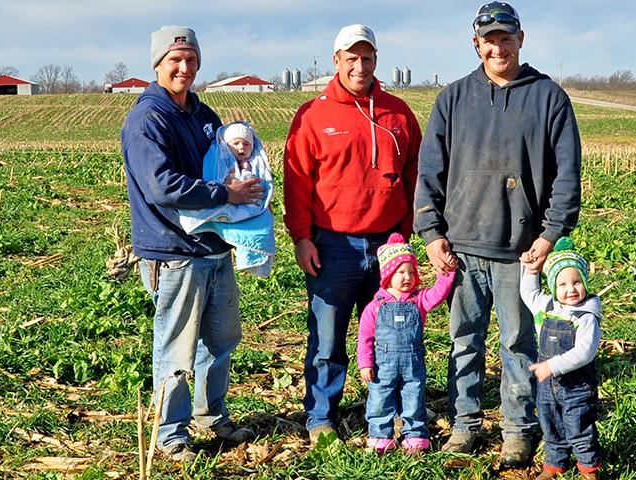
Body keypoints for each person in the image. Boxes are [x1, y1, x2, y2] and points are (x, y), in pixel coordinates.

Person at [413, 1, 583, 467]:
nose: (497, 47)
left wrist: (549, 237)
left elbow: (567, 177)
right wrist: (431, 233)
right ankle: (465, 425)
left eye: (505, 38)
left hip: (521, 252)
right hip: (461, 249)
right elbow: (429, 172)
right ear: (476, 44)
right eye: (489, 39)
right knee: (463, 341)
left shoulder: (548, 98)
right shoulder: (452, 98)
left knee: (517, 344)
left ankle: (517, 429)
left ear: (520, 40)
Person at [122, 25, 263, 463]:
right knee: (176, 347)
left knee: (221, 339)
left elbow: (224, 162)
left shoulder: (202, 115)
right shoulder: (148, 118)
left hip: (213, 247)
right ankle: (170, 434)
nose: (183, 68)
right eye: (174, 61)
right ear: (157, 65)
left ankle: (210, 415)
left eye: (190, 60)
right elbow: (162, 185)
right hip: (174, 253)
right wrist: (226, 195)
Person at [283, 24, 423, 444]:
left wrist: (406, 231)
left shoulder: (398, 113)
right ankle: (321, 417)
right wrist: (301, 236)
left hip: (387, 244)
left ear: (376, 60)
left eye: (366, 58)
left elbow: (415, 174)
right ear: (336, 61)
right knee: (328, 337)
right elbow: (297, 180)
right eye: (351, 58)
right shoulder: (314, 115)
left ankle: (388, 414)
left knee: (391, 335)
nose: (359, 66)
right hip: (332, 243)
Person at [356, 233, 456, 455]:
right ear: (388, 274)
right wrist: (365, 363)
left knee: (413, 397)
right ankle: (380, 436)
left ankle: (415, 436)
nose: (407, 277)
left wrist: (446, 275)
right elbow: (365, 337)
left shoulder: (418, 300)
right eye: (400, 272)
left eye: (411, 272)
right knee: (380, 399)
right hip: (383, 365)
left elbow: (438, 294)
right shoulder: (376, 306)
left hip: (413, 363)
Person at [520, 239, 603, 480]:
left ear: (585, 282)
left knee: (579, 426)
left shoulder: (586, 316)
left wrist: (552, 366)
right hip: (547, 387)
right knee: (550, 423)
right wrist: (531, 270)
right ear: (553, 285)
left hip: (576, 385)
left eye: (577, 282)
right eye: (563, 283)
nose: (571, 289)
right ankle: (554, 464)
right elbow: (528, 292)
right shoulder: (546, 305)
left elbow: (585, 352)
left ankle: (589, 467)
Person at [177, 122, 277, 277]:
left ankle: (252, 258)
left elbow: (258, 183)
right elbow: (214, 177)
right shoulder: (219, 158)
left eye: (246, 144)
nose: (241, 148)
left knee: (260, 226)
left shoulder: (253, 163)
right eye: (235, 143)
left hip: (250, 202)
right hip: (226, 201)